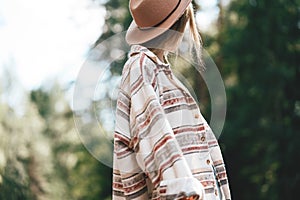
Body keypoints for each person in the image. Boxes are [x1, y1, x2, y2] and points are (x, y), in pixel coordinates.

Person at [112, 0, 231, 199]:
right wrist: (182, 189)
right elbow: (153, 136)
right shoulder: (141, 67)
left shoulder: (156, 71)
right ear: (182, 21)